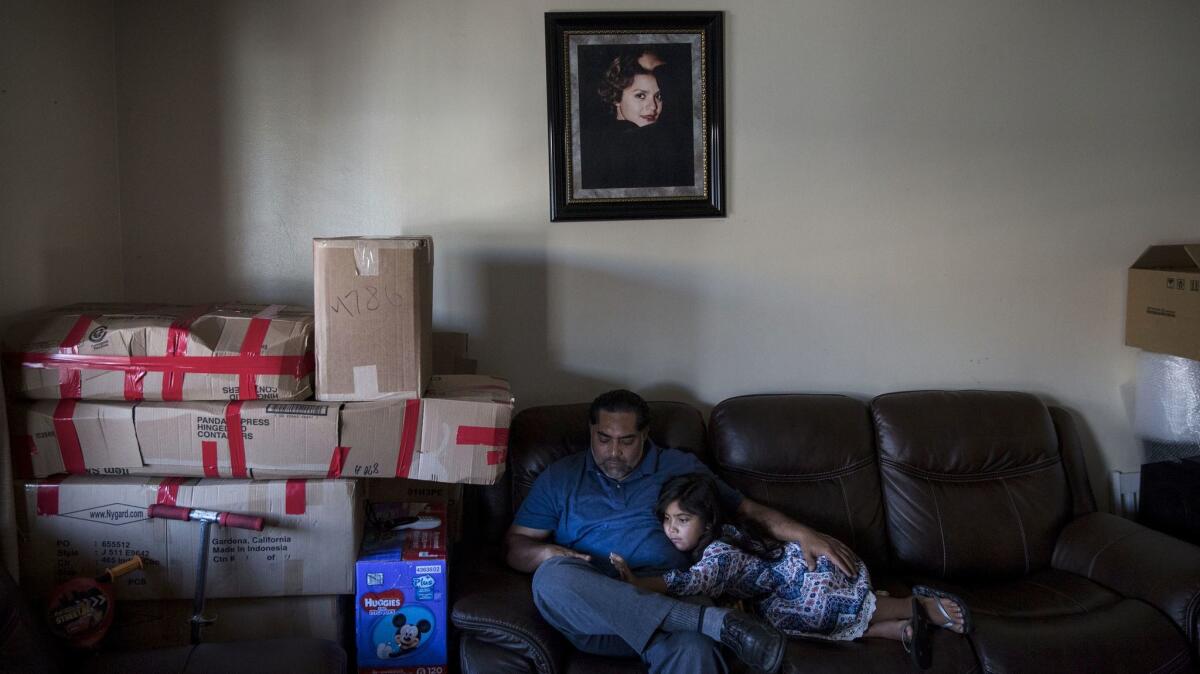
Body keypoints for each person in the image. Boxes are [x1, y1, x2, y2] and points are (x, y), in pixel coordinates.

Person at [506, 389, 862, 674]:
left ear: (645, 435)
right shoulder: (561, 477)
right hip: (597, 613)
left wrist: (804, 534)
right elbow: (516, 545)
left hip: (673, 591)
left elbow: (746, 510)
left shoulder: (678, 467)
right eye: (603, 438)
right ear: (590, 431)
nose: (613, 451)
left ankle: (699, 622)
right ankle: (712, 622)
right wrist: (550, 553)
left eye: (627, 440)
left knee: (696, 650)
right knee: (551, 579)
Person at [610, 474, 974, 670]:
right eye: (668, 520)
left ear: (707, 522)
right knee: (784, 625)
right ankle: (892, 631)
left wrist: (641, 583)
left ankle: (916, 604)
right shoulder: (716, 541)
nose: (672, 529)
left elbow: (693, 582)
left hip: (806, 573)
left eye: (683, 520)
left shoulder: (718, 551)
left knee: (818, 608)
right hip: (778, 594)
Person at [581, 49, 693, 190]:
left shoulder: (653, 140)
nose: (653, 107)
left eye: (659, 97)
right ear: (616, 97)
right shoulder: (615, 142)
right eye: (640, 96)